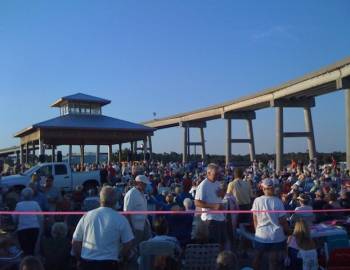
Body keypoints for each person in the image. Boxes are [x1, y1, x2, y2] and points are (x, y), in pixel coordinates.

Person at [72, 186, 134, 270]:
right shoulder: (121, 219)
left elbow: (75, 241)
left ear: (100, 200)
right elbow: (128, 244)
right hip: (109, 263)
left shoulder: (87, 216)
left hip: (87, 262)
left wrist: (79, 259)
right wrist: (122, 258)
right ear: (115, 201)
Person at [251, 178, 289, 270]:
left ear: (263, 189)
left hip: (261, 235)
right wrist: (288, 231)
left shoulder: (257, 200)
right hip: (276, 236)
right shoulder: (278, 201)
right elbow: (282, 220)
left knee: (257, 259)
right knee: (273, 262)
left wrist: (257, 232)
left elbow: (255, 219)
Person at [195, 163, 226, 248]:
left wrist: (223, 193)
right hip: (210, 219)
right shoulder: (203, 185)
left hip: (220, 218)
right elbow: (197, 202)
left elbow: (219, 197)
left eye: (218, 174)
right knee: (214, 246)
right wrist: (214, 206)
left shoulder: (217, 183)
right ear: (208, 173)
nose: (217, 176)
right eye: (215, 174)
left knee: (221, 244)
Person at [123, 175, 152, 248]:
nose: (146, 186)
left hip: (144, 224)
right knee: (136, 248)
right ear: (139, 183)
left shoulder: (141, 193)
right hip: (135, 227)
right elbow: (126, 213)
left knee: (147, 246)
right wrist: (130, 229)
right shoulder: (131, 194)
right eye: (144, 184)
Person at [13, 188, 42, 256]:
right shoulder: (35, 204)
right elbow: (40, 216)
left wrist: (16, 224)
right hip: (34, 228)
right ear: (31, 195)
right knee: (32, 249)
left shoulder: (19, 205)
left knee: (25, 250)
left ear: (22, 195)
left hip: (22, 229)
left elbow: (14, 217)